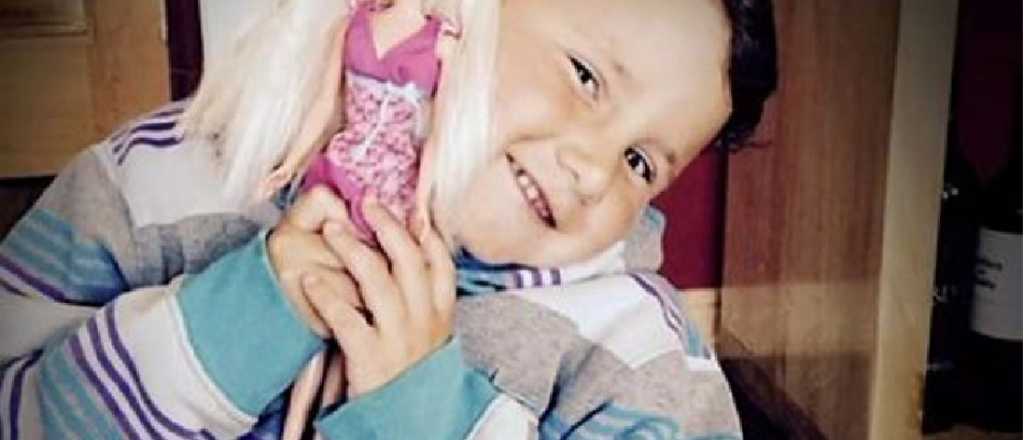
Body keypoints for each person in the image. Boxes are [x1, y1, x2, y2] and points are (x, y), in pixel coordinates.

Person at [0, 0, 777, 438]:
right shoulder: (156, 182)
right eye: (585, 77)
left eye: (642, 162)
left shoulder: (642, 360)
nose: (595, 169)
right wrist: (228, 327)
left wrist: (419, 411)